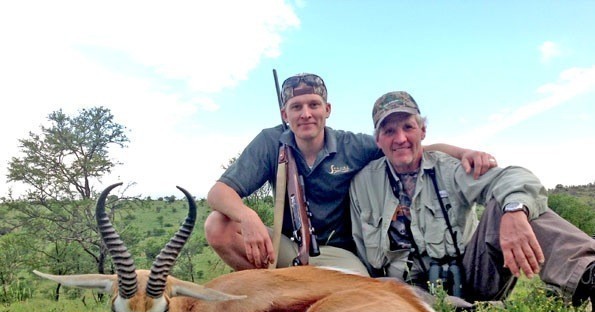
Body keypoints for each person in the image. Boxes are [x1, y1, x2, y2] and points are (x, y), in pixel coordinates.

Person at [205, 73, 496, 275]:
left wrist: (461, 153)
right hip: (288, 247)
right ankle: (271, 296)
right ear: (285, 115)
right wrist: (249, 217)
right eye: (296, 107)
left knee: (359, 289)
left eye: (313, 105)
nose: (305, 114)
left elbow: (410, 148)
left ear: (327, 109)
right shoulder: (271, 142)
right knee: (218, 226)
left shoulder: (352, 145)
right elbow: (218, 193)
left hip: (340, 253)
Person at [349, 90, 595, 312]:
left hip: (471, 275)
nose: (400, 138)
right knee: (386, 288)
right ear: (378, 141)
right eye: (389, 131)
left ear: (423, 131)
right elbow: (363, 252)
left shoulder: (451, 166)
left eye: (408, 127)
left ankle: (588, 275)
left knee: (513, 202)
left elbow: (514, 177)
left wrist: (515, 212)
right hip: (408, 292)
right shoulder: (361, 185)